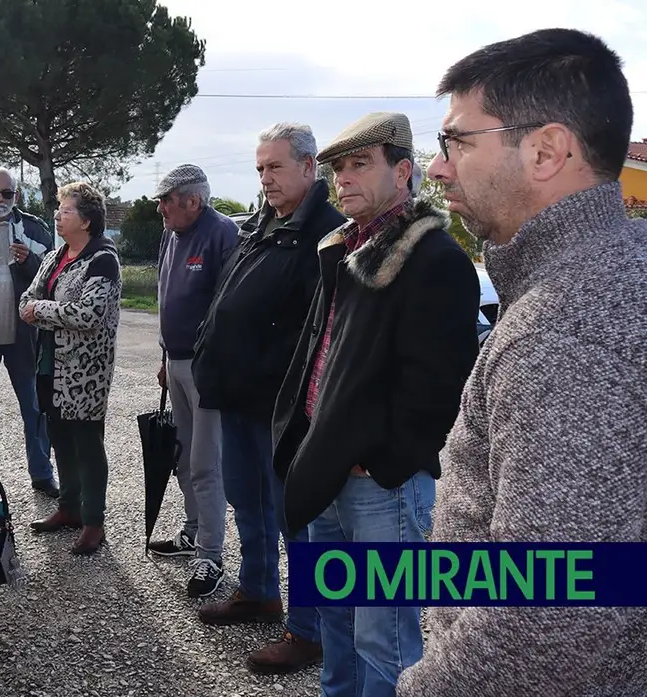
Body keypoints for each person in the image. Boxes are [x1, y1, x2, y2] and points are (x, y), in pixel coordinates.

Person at [398, 28, 647, 697]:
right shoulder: (616, 271)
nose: (439, 166)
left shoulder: (565, 330)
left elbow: (550, 612)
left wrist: (421, 688)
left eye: (458, 141)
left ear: (546, 150)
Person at [270, 111, 480, 697]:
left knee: (384, 639)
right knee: (337, 625)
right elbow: (320, 355)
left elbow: (442, 387)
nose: (345, 179)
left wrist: (381, 460)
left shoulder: (434, 259)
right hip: (326, 469)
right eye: (338, 168)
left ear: (405, 171)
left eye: (361, 164)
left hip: (379, 484)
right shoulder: (343, 250)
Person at [191, 122, 345, 673]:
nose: (265, 179)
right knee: (245, 501)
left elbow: (320, 330)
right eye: (259, 169)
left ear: (309, 167)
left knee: (295, 518)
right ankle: (258, 590)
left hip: (283, 408)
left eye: (275, 167)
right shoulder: (262, 224)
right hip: (238, 398)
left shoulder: (328, 233)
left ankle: (309, 630)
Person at [147, 164, 240, 599]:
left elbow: (230, 309)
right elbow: (167, 299)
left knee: (206, 463)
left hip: (207, 368)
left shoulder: (222, 234)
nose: (160, 207)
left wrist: (213, 366)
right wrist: (166, 356)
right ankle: (191, 531)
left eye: (167, 200)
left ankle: (211, 555)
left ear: (192, 201)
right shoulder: (170, 234)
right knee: (183, 456)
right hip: (178, 362)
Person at [20, 181, 122, 555]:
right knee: (59, 437)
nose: (58, 217)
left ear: (88, 220)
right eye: (58, 211)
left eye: (65, 211)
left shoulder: (103, 259)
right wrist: (39, 309)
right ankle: (68, 508)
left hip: (85, 373)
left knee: (87, 445)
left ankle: (94, 521)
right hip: (49, 365)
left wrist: (41, 312)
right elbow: (25, 299)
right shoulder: (55, 254)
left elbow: (89, 315)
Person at [0, 167, 58, 498]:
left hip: (24, 339)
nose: (0, 199)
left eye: (7, 193)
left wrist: (30, 262)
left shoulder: (34, 229)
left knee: (34, 409)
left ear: (16, 196)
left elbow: (52, 279)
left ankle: (42, 474)